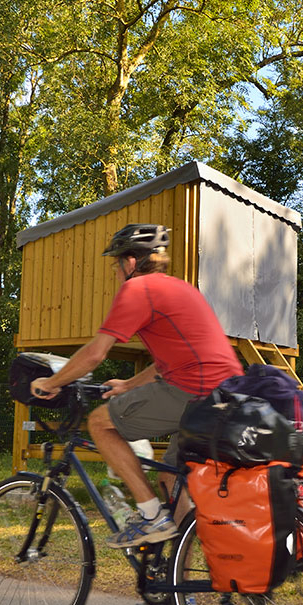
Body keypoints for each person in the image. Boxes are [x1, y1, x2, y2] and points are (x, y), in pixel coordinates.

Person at [30, 223, 243, 548]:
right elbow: (166, 362)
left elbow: (95, 354)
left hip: (196, 392)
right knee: (170, 480)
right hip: (224, 393)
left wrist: (52, 381)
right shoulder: (180, 288)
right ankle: (177, 592)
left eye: (117, 264)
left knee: (99, 423)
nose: (116, 272)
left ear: (130, 262)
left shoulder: (137, 290)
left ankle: (149, 515)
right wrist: (129, 385)